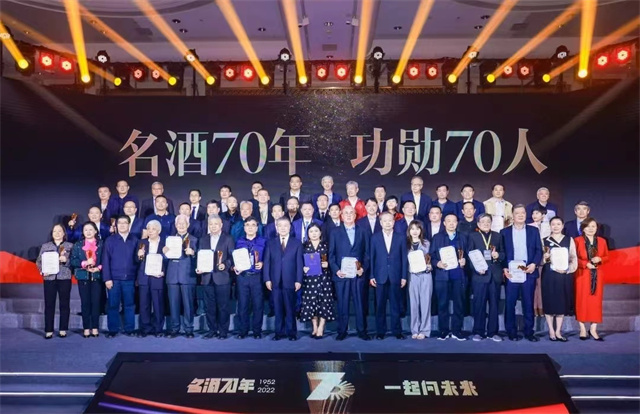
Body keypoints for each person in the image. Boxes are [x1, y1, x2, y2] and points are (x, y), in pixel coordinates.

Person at [501, 204, 543, 342]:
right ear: (512, 215)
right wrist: (504, 267)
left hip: (528, 272)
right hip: (511, 273)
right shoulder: (504, 232)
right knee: (510, 303)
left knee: (528, 303)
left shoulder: (533, 231)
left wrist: (534, 264)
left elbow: (539, 250)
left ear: (526, 215)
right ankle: (511, 331)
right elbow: (502, 252)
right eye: (517, 213)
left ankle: (529, 332)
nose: (520, 215)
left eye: (523, 213)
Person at [329, 205, 369, 341]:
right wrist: (336, 270)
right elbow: (331, 255)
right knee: (342, 304)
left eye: (351, 212)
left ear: (355, 215)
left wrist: (363, 268)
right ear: (341, 215)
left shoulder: (363, 231)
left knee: (360, 304)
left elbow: (367, 253)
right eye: (345, 213)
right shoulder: (335, 232)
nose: (348, 215)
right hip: (342, 275)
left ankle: (362, 330)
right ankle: (342, 330)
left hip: (358, 274)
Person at [263, 218, 303, 341]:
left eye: (286, 225)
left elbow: (299, 263)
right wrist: (267, 279)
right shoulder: (271, 243)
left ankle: (291, 333)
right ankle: (278, 333)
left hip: (290, 280)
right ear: (276, 228)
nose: (283, 228)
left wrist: (299, 280)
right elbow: (267, 262)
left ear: (290, 227)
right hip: (275, 281)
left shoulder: (297, 243)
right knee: (278, 308)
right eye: (280, 225)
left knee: (290, 308)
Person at [467, 214, 505, 342]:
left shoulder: (498, 236)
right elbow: (469, 256)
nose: (486, 223)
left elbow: (504, 254)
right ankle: (478, 331)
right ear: (478, 224)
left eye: (488, 221)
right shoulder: (473, 236)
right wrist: (476, 268)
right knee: (479, 305)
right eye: (483, 222)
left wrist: (498, 255)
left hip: (494, 275)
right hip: (479, 275)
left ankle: (493, 332)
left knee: (494, 305)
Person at [370, 212, 408, 340]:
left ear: (394, 222)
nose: (387, 223)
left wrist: (404, 276)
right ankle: (380, 331)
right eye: (385, 221)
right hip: (380, 276)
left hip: (395, 276)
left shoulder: (400, 237)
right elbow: (372, 258)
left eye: (390, 220)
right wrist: (371, 275)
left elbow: (404, 258)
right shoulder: (374, 238)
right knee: (380, 306)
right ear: (380, 223)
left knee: (395, 305)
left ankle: (397, 331)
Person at [430, 214, 467, 341]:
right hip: (442, 276)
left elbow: (468, 254)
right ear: (444, 223)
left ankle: (457, 330)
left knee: (459, 304)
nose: (451, 223)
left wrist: (465, 261)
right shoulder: (437, 237)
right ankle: (443, 330)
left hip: (458, 275)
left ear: (457, 223)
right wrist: (437, 263)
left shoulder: (463, 237)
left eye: (454, 221)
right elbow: (431, 256)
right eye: (448, 221)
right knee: (442, 304)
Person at [197, 215, 235, 339]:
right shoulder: (203, 239)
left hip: (222, 277)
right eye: (211, 224)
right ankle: (212, 330)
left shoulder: (228, 238)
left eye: (216, 224)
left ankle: (223, 331)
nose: (213, 226)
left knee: (223, 306)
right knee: (209, 307)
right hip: (207, 277)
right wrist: (199, 268)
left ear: (221, 225)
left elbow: (232, 257)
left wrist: (226, 264)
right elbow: (200, 256)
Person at [102, 215, 139, 338]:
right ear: (116, 225)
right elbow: (105, 260)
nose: (122, 225)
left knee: (129, 305)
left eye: (125, 223)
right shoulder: (110, 240)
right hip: (114, 279)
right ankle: (113, 329)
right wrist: (107, 278)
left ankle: (129, 328)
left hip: (129, 278)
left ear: (129, 225)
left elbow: (137, 260)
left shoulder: (135, 240)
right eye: (120, 223)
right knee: (113, 305)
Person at [541, 217, 578, 342]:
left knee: (561, 302)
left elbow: (573, 258)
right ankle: (551, 330)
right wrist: (545, 258)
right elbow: (540, 260)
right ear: (550, 226)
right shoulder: (544, 240)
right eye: (553, 224)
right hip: (549, 275)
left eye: (558, 224)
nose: (556, 226)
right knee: (549, 301)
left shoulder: (569, 240)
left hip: (563, 275)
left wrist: (568, 270)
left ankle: (558, 331)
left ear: (562, 226)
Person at [36, 224, 73, 339]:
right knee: (49, 304)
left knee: (64, 304)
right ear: (52, 234)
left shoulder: (70, 246)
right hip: (49, 278)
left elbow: (74, 262)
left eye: (59, 231)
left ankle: (63, 329)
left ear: (64, 233)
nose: (57, 233)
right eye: (55, 231)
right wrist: (43, 271)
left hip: (64, 278)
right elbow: (39, 261)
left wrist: (66, 260)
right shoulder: (45, 246)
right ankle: (49, 330)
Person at [575, 218, 609, 341]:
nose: (591, 229)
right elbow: (573, 258)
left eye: (593, 226)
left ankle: (593, 329)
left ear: (596, 228)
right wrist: (585, 264)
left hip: (597, 274)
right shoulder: (577, 240)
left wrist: (600, 259)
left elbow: (607, 256)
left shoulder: (602, 241)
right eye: (588, 226)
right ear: (583, 228)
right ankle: (582, 329)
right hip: (582, 275)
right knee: (581, 301)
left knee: (596, 302)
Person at [299, 223, 335, 339]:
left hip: (324, 278)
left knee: (324, 301)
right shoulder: (304, 246)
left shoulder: (326, 245)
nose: (314, 234)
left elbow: (333, 259)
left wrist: (328, 264)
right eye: (311, 231)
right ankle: (314, 326)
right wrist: (303, 268)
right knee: (311, 302)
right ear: (308, 234)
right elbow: (299, 261)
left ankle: (321, 327)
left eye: (316, 231)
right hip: (309, 279)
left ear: (320, 232)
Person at [233, 217, 267, 339]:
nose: (250, 227)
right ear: (244, 227)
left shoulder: (263, 241)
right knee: (243, 305)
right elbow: (233, 258)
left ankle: (257, 331)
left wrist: (263, 263)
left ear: (257, 228)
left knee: (258, 305)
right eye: (248, 225)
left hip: (257, 277)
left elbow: (268, 258)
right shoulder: (238, 242)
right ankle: (243, 331)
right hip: (243, 277)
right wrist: (235, 267)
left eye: (253, 225)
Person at [165, 214, 197, 338]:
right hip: (172, 275)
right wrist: (164, 252)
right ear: (175, 225)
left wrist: (193, 253)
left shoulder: (194, 239)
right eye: (179, 223)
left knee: (188, 304)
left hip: (187, 275)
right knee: (173, 304)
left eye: (184, 223)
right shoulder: (169, 240)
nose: (181, 226)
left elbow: (199, 259)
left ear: (188, 225)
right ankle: (174, 328)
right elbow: (164, 259)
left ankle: (189, 329)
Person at [70, 222, 103, 338]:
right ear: (83, 232)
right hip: (83, 277)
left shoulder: (101, 244)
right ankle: (86, 328)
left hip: (96, 277)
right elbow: (73, 260)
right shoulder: (78, 245)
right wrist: (84, 263)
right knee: (85, 303)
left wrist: (99, 268)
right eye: (85, 230)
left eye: (90, 229)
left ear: (95, 231)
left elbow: (105, 259)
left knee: (96, 302)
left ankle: (95, 327)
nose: (88, 232)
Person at [136, 220, 167, 338]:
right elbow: (136, 260)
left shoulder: (165, 243)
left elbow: (168, 261)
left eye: (153, 229)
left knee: (158, 304)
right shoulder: (142, 242)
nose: (150, 231)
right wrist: (139, 255)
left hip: (158, 277)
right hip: (144, 277)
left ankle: (158, 328)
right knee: (144, 304)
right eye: (148, 229)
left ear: (159, 231)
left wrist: (164, 271)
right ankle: (145, 328)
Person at [406, 220, 432, 339]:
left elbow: (431, 258)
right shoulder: (405, 244)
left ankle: (425, 330)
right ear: (409, 231)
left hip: (425, 275)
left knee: (426, 303)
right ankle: (414, 330)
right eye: (412, 229)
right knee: (413, 304)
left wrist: (430, 266)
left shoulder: (427, 243)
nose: (415, 231)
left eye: (417, 228)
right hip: (412, 276)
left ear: (421, 230)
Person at [529, 206, 549, 317]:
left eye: (537, 213)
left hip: (545, 259)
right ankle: (533, 307)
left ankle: (541, 306)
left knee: (541, 284)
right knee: (533, 284)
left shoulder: (549, 227)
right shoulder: (529, 226)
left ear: (543, 215)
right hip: (533, 258)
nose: (534, 215)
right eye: (533, 213)